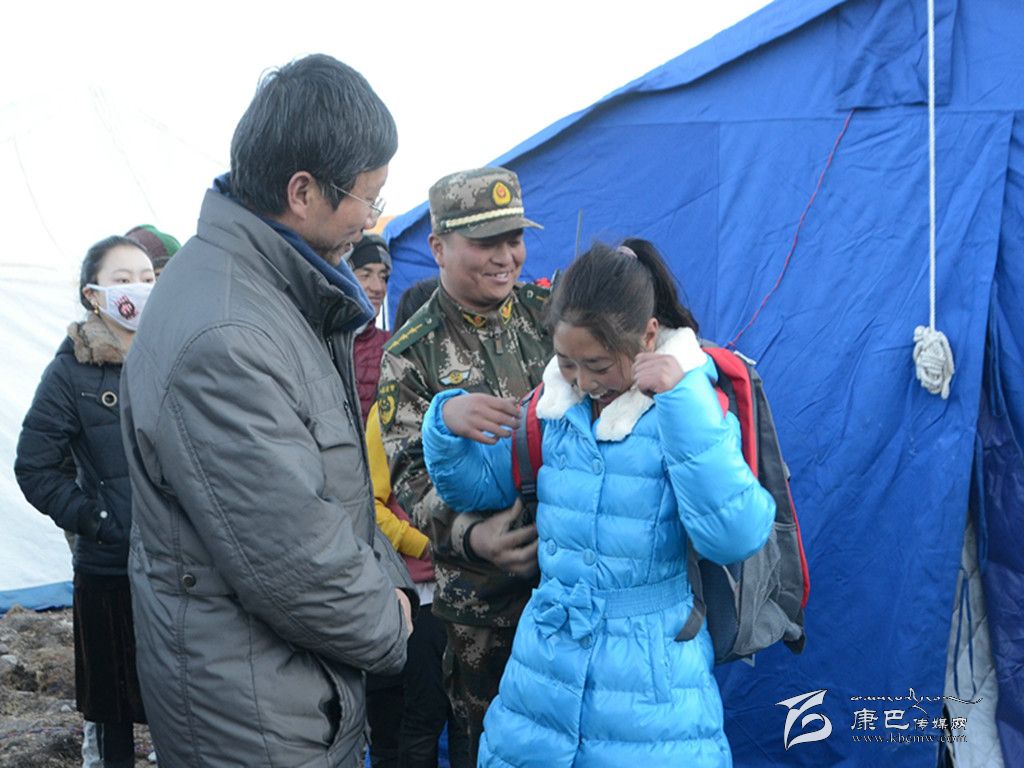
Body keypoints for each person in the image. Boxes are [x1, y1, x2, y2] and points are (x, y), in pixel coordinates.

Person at [119, 54, 412, 768]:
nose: (372, 218)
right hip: (255, 723)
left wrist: (390, 582)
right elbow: (296, 563)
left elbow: (334, 491)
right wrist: (392, 618)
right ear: (302, 192)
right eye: (368, 198)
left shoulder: (270, 293)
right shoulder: (228, 336)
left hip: (288, 697)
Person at [421, 238, 776, 766]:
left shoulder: (691, 407)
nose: (584, 383)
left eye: (599, 365)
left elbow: (735, 535)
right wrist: (445, 424)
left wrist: (684, 401)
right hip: (541, 684)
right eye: (566, 363)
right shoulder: (550, 410)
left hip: (653, 697)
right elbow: (473, 490)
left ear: (649, 336)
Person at [378, 166, 551, 763]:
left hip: (569, 587)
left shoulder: (551, 315)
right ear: (438, 247)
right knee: (489, 748)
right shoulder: (411, 353)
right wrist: (473, 536)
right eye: (485, 242)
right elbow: (410, 479)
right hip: (484, 608)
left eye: (514, 238)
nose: (506, 257)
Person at [15, 236, 155, 768]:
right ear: (93, 295)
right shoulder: (71, 372)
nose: (138, 288)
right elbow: (35, 467)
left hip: (180, 567)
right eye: (123, 279)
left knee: (184, 702)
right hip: (109, 568)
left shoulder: (174, 356)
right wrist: (97, 520)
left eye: (147, 278)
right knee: (113, 710)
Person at [347, 233, 394, 423]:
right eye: (365, 275)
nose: (378, 287)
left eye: (383, 277)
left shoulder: (393, 346)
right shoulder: (319, 341)